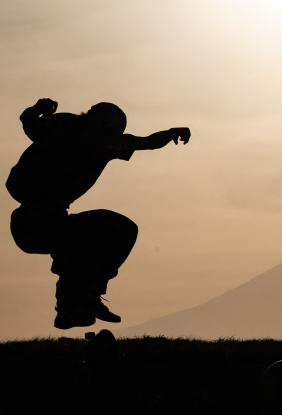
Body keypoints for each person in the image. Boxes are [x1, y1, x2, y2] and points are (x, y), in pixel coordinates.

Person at [6, 98, 191, 329]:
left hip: (49, 220)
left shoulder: (103, 143)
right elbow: (29, 121)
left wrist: (170, 133)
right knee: (86, 240)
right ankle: (72, 305)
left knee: (112, 232)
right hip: (32, 221)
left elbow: (144, 142)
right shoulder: (66, 128)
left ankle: (80, 302)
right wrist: (39, 109)